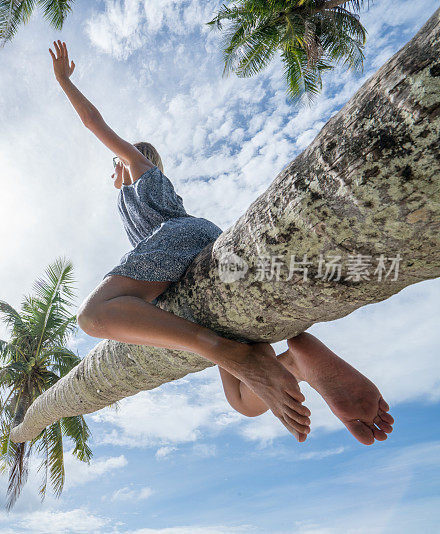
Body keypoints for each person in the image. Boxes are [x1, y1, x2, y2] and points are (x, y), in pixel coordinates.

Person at [48, 40, 394, 444]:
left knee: (95, 316)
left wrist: (65, 82)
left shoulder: (140, 169)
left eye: (116, 160)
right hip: (191, 253)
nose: (114, 166)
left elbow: (93, 123)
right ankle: (301, 363)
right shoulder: (127, 202)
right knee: (244, 401)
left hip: (182, 238)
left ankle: (226, 350)